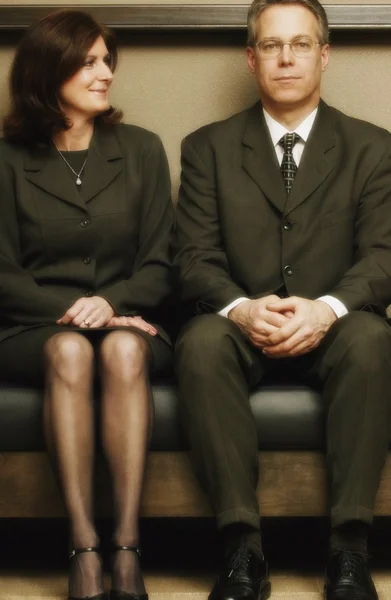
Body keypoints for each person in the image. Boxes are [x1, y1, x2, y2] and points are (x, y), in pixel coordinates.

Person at [173, 0, 391, 599]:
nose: (286, 57)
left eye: (301, 44)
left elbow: (383, 256)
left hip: (335, 329)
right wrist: (240, 307)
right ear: (251, 59)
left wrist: (327, 308)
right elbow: (192, 258)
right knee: (198, 342)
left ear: (325, 54)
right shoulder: (208, 147)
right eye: (271, 45)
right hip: (241, 326)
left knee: (373, 337)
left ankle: (349, 553)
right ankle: (242, 551)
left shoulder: (373, 147)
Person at [0, 9, 173, 600]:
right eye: (90, 61)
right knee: (73, 350)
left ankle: (126, 548)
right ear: (50, 72)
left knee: (124, 347)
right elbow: (1, 272)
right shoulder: (6, 161)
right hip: (35, 328)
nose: (106, 73)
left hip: (130, 320)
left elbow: (160, 263)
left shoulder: (143, 150)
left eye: (107, 60)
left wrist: (112, 303)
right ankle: (84, 550)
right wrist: (80, 309)